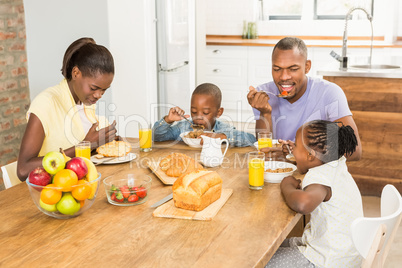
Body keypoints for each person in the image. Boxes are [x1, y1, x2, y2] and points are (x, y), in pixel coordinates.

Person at [266, 120, 363, 268]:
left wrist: (287, 185)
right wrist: (297, 157)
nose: (293, 149)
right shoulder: (335, 165)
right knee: (272, 246)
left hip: (327, 260)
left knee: (262, 262)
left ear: (310, 155)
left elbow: (302, 204)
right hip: (346, 254)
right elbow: (308, 166)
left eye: (296, 146)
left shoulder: (321, 176)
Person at [247, 37, 362, 161]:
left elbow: (354, 151)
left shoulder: (330, 93)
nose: (284, 77)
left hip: (317, 174)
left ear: (307, 67)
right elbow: (264, 149)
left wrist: (296, 155)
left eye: (293, 69)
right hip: (277, 171)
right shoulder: (264, 94)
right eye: (277, 69)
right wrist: (265, 112)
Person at [17, 37, 117, 180]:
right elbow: (22, 169)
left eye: (104, 90)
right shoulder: (46, 103)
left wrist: (106, 141)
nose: (98, 95)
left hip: (79, 186)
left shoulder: (84, 103)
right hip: (51, 193)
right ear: (76, 73)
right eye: (94, 88)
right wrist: (87, 145)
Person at [153, 83, 256, 147]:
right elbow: (156, 136)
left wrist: (222, 136)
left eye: (205, 113)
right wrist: (168, 120)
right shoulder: (183, 128)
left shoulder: (222, 129)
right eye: (193, 111)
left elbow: (251, 139)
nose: (198, 116)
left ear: (219, 112)